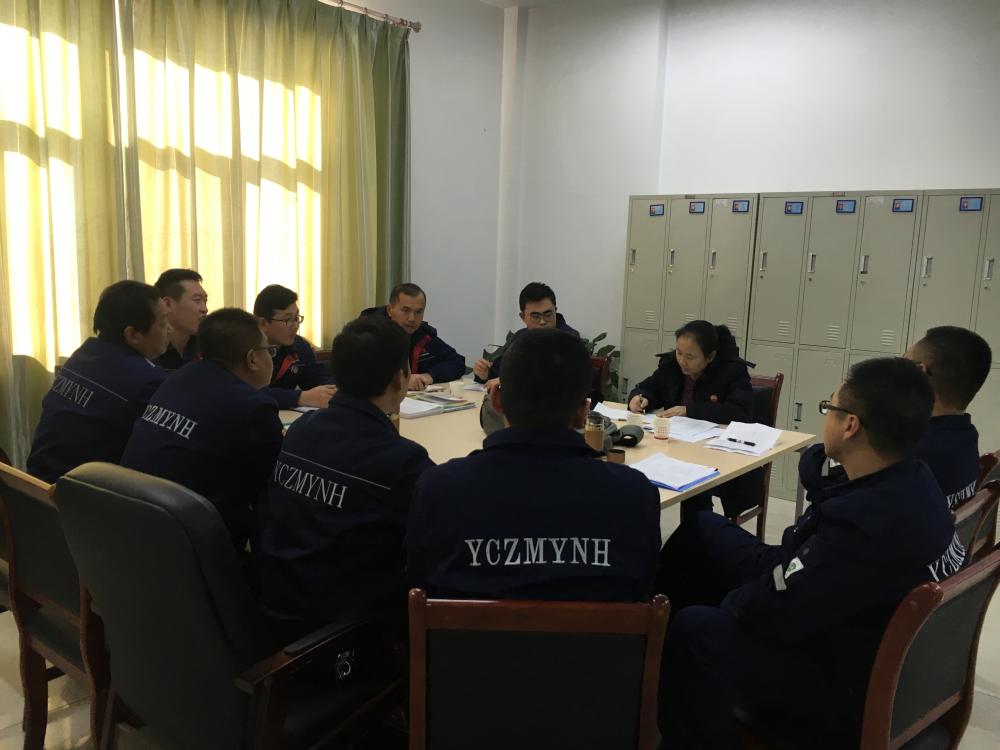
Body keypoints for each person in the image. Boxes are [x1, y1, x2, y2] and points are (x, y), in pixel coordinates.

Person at [656, 357, 964, 749]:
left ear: (850, 425)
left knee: (695, 626)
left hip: (844, 688)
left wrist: (727, 605)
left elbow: (775, 607)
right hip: (886, 658)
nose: (826, 418)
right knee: (702, 533)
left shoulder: (861, 524)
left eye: (829, 408)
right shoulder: (916, 479)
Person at [408, 328, 661, 602]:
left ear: (497, 401)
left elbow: (418, 586)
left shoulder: (439, 489)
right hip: (596, 632)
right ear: (583, 413)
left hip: (466, 633)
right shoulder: (634, 495)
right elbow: (643, 590)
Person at [260, 316, 434, 637]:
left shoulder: (300, 430)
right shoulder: (402, 461)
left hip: (277, 596)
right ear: (400, 378)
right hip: (343, 626)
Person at [121, 308, 282, 553]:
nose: (271, 357)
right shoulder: (254, 407)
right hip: (192, 545)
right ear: (252, 359)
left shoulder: (178, 378)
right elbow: (269, 489)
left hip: (132, 526)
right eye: (269, 350)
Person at [800, 326, 993, 510]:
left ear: (918, 373)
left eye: (903, 363)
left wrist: (818, 453)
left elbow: (825, 483)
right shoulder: (966, 437)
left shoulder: (906, 454)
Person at [27, 281, 170, 482]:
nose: (169, 329)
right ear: (132, 334)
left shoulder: (85, 354)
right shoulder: (146, 381)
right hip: (80, 494)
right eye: (163, 323)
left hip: (36, 481)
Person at [627, 320, 755, 520]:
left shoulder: (731, 371)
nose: (682, 361)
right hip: (675, 445)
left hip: (716, 454)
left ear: (710, 356)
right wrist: (640, 397)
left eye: (690, 357)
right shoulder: (671, 365)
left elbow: (740, 411)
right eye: (679, 353)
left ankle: (697, 531)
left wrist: (690, 410)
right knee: (636, 475)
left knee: (696, 489)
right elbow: (651, 387)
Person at [472, 281, 579, 393]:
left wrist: (511, 382)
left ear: (555, 311)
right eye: (535, 316)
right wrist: (485, 374)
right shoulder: (520, 337)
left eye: (548, 314)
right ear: (523, 317)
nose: (542, 321)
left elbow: (559, 380)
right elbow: (501, 371)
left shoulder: (570, 339)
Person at [360, 283, 465, 391]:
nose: (412, 318)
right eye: (405, 310)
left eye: (418, 312)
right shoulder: (366, 335)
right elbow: (357, 373)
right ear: (390, 310)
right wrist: (399, 380)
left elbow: (457, 362)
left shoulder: (422, 334)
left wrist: (428, 376)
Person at [253, 284, 337, 409]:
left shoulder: (299, 346)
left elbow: (316, 378)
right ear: (263, 323)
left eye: (296, 318)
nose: (295, 325)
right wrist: (300, 397)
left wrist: (333, 389)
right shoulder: (245, 349)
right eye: (287, 319)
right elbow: (248, 392)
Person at [153, 268, 208, 370]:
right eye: (197, 300)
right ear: (167, 304)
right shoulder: (149, 349)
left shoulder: (208, 347)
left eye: (205, 301)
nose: (205, 309)